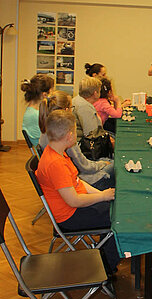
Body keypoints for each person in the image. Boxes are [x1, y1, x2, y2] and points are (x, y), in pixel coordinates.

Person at [35, 110, 120, 273]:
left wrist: (101, 195)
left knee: (114, 207)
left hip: (75, 207)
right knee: (119, 217)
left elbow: (77, 182)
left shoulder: (57, 153)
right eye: (75, 131)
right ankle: (106, 268)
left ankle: (103, 254)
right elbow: (73, 201)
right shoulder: (55, 163)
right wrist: (102, 196)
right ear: (69, 136)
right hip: (70, 216)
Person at [39, 91, 114, 190]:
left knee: (107, 161)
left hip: (74, 178)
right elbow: (84, 167)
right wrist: (102, 164)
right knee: (116, 165)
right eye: (72, 107)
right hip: (83, 180)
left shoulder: (47, 131)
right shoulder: (66, 137)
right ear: (66, 110)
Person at [21, 74, 55, 146]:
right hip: (46, 149)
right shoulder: (36, 115)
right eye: (52, 92)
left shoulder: (33, 111)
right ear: (45, 95)